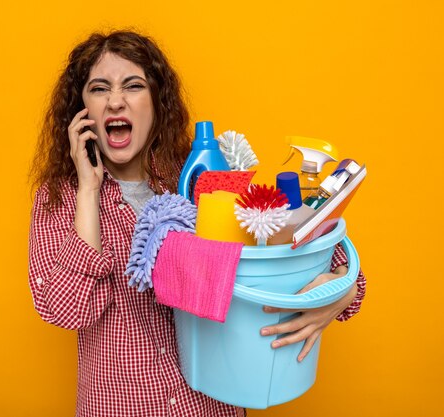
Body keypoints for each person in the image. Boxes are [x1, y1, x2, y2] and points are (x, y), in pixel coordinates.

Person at [28, 30, 366, 417]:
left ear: (156, 101)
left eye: (133, 86)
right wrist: (88, 190)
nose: (116, 101)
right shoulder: (61, 198)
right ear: (81, 109)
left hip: (208, 407)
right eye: (99, 88)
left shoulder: (199, 179)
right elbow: (70, 311)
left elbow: (304, 246)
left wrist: (339, 292)